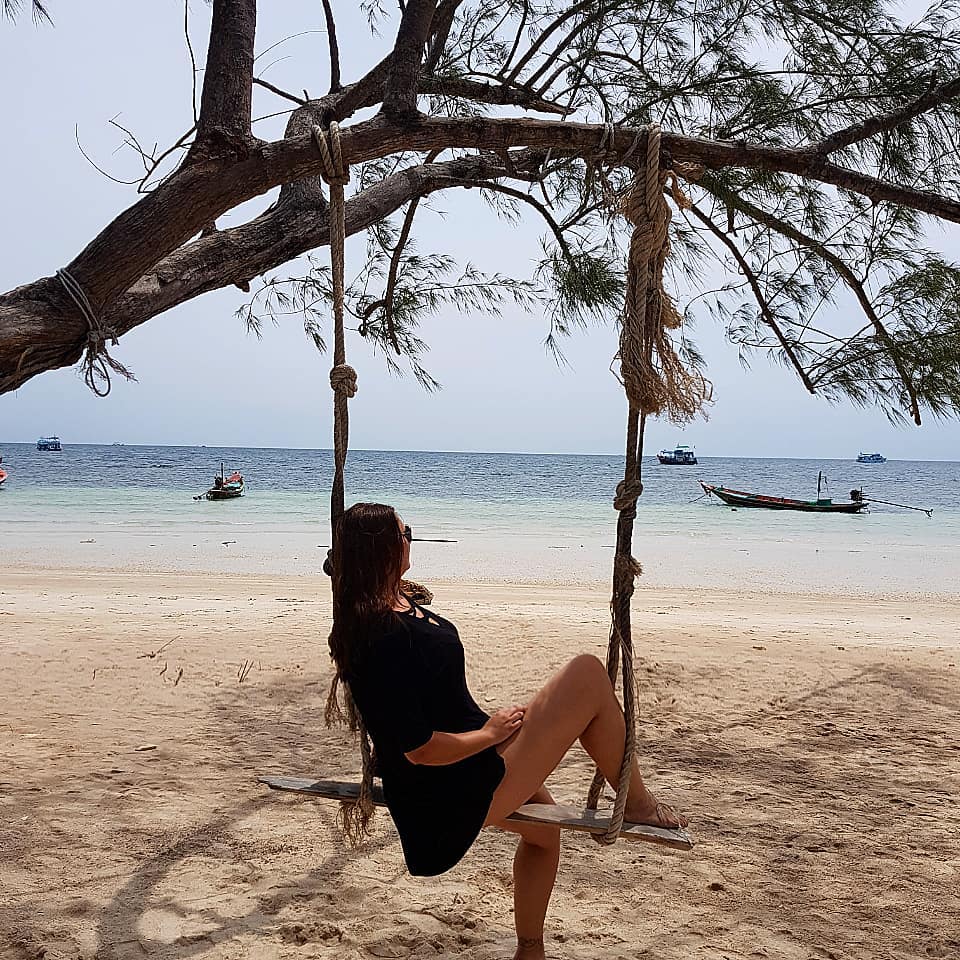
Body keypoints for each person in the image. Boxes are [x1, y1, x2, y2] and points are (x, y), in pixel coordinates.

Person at [327, 502, 688, 960]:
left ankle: (529, 949)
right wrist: (490, 733)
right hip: (447, 789)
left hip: (471, 758)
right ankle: (637, 803)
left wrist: (491, 730)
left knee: (544, 835)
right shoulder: (379, 637)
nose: (411, 538)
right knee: (588, 675)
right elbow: (419, 750)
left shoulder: (392, 603)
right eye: (405, 532)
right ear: (381, 548)